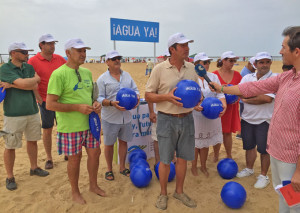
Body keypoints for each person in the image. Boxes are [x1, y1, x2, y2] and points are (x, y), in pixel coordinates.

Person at [210, 26, 300, 213]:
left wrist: (299, 170)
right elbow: (251, 88)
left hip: (292, 160)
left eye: (283, 47)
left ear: (296, 51)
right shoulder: (287, 77)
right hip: (277, 153)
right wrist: (222, 89)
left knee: (296, 203)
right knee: (283, 196)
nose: (280, 51)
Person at [145, 32, 200, 210]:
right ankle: (163, 194)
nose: (187, 48)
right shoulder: (159, 69)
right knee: (166, 160)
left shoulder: (191, 68)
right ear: (172, 49)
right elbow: (148, 95)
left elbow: (196, 90)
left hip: (187, 118)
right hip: (166, 119)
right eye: (183, 46)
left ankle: (179, 191)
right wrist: (167, 97)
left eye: (188, 45)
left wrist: (198, 98)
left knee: (183, 159)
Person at [46, 38, 105, 204]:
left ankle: (93, 186)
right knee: (75, 158)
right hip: (70, 127)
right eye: (79, 51)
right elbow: (50, 104)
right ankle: (75, 192)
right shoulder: (58, 74)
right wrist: (77, 108)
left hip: (90, 124)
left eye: (84, 50)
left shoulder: (86, 72)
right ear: (67, 53)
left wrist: (95, 103)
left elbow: (90, 96)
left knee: (95, 153)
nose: (83, 54)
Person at [0, 42, 49, 191]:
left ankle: (34, 167)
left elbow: (35, 83)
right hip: (14, 113)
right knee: (10, 146)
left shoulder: (28, 67)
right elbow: (26, 82)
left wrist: (13, 85)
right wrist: (25, 83)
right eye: (23, 51)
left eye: (27, 51)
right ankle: (10, 177)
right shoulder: (5, 69)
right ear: (13, 53)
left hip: (32, 110)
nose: (27, 54)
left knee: (32, 141)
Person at [236, 52, 277, 189]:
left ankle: (264, 175)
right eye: (261, 62)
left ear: (271, 63)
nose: (264, 65)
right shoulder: (247, 77)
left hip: (265, 120)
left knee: (264, 150)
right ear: (255, 64)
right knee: (249, 146)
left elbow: (266, 99)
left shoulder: (274, 78)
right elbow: (240, 93)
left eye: (267, 62)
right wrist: (254, 95)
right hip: (247, 118)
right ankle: (249, 169)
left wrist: (248, 97)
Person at [97, 50, 139, 181]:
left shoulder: (127, 76)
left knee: (123, 142)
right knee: (109, 144)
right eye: (113, 58)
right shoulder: (102, 79)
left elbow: (136, 90)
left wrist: (136, 99)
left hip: (125, 117)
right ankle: (109, 169)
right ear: (107, 62)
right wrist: (111, 103)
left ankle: (122, 167)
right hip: (110, 117)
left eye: (118, 58)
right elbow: (98, 98)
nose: (117, 61)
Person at [28, 34, 67, 169]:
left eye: (53, 43)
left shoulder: (60, 59)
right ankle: (49, 158)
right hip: (45, 100)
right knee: (47, 129)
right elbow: (31, 80)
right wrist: (38, 97)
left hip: (62, 100)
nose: (52, 46)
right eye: (49, 43)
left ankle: (67, 151)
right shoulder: (33, 61)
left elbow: (68, 74)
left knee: (64, 127)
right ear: (41, 45)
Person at [191, 52, 226, 177]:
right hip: (195, 116)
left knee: (205, 143)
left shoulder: (213, 77)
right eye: (204, 62)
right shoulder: (191, 77)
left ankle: (203, 166)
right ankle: (194, 167)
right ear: (196, 65)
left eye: (208, 62)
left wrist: (224, 105)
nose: (207, 65)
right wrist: (194, 106)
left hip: (211, 116)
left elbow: (220, 93)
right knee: (195, 144)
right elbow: (186, 97)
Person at [213, 51, 242, 159]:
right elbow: (210, 92)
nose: (233, 63)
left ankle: (229, 155)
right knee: (217, 132)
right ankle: (216, 154)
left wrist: (237, 98)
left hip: (232, 108)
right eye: (230, 60)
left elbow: (241, 90)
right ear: (223, 60)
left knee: (228, 133)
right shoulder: (214, 74)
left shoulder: (238, 75)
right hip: (218, 107)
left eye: (234, 60)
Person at [236, 56, 257, 139]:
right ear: (249, 64)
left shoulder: (247, 71)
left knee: (243, 115)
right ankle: (240, 133)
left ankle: (241, 133)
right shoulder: (245, 73)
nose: (254, 69)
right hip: (244, 99)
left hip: (244, 99)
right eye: (253, 67)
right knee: (244, 116)